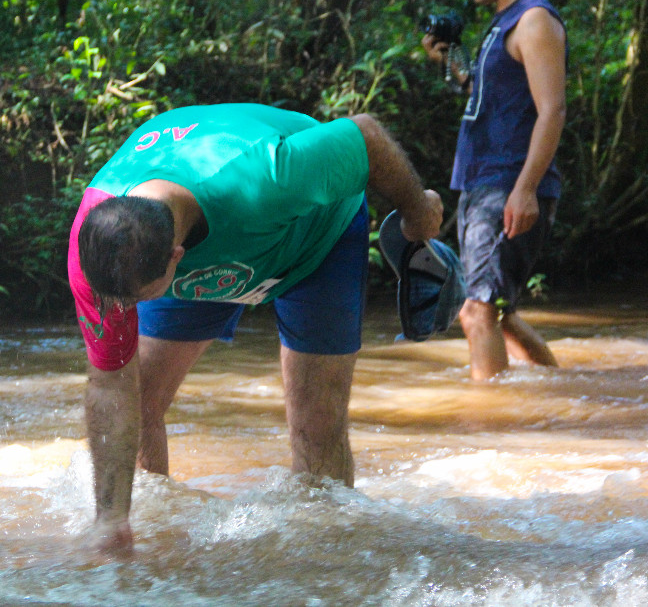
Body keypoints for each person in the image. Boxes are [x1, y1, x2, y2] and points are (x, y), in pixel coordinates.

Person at [67, 103, 443, 551]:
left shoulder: (273, 174)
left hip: (316, 240)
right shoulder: (100, 251)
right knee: (140, 399)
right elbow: (111, 388)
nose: (122, 311)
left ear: (175, 258)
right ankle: (159, 547)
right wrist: (110, 519)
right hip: (217, 241)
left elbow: (364, 135)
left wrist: (418, 211)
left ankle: (326, 564)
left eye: (135, 301)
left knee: (316, 425)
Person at [422, 0, 566, 380]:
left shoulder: (533, 20)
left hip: (507, 184)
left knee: (476, 312)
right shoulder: (504, 24)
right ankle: (565, 391)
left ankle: (491, 429)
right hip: (484, 182)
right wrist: (449, 62)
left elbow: (552, 109)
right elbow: (486, 95)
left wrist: (524, 190)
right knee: (497, 312)